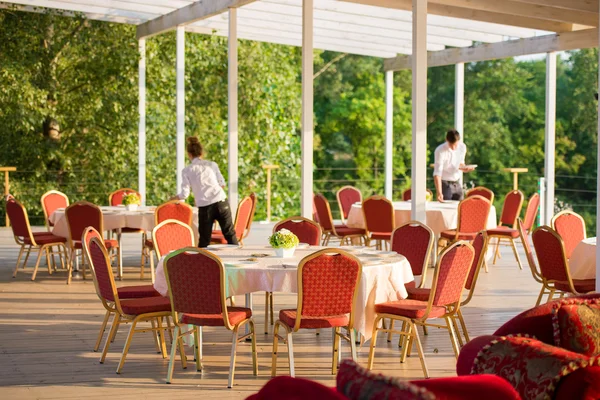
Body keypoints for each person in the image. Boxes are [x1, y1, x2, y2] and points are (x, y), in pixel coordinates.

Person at [175, 137, 238, 248]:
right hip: (221, 202)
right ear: (201, 153)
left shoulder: (187, 170)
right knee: (230, 235)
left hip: (205, 208)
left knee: (204, 240)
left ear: (189, 154)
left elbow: (184, 194)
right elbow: (222, 184)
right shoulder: (211, 165)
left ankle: (203, 264)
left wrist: (173, 198)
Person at [433, 129, 474, 202]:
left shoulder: (462, 147)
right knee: (445, 208)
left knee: (459, 207)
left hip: (457, 183)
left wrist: (465, 168)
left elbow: (461, 164)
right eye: (451, 145)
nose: (453, 148)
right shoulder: (440, 150)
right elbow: (437, 173)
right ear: (446, 140)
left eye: (455, 144)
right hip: (445, 183)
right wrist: (439, 192)